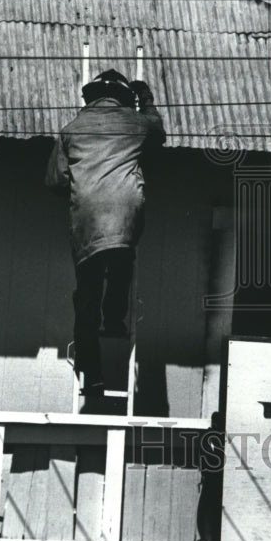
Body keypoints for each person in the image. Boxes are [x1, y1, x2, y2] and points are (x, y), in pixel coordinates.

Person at [45, 69, 166, 397]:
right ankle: (114, 318)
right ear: (124, 97)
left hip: (87, 217)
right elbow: (158, 132)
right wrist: (146, 98)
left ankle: (93, 375)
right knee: (122, 261)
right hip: (126, 209)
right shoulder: (136, 122)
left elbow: (55, 180)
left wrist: (82, 179)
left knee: (86, 295)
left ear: (90, 96)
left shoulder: (71, 129)